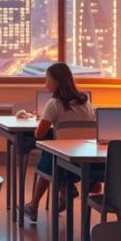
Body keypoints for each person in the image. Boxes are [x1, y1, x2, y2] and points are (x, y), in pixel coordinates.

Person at [23, 62, 94, 222]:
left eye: (47, 79)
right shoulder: (86, 102)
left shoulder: (54, 103)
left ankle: (34, 205)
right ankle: (65, 189)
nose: (45, 84)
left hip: (62, 158)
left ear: (56, 81)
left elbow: (39, 134)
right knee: (51, 154)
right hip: (84, 156)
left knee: (48, 155)